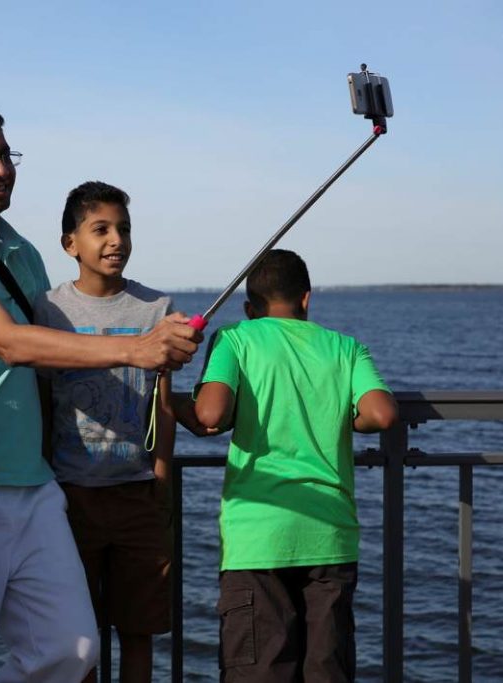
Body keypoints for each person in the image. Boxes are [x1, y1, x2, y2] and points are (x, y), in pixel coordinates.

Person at [0, 101, 202, 682]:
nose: (0, 169)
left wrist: (165, 392)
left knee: (73, 649)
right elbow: (8, 342)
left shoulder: (22, 251)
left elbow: (57, 359)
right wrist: (137, 348)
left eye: (6, 155)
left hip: (34, 480)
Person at [175, 249, 399, 682]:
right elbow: (383, 414)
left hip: (259, 537)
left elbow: (210, 415)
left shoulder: (236, 338)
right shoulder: (345, 348)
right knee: (326, 672)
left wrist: (167, 403)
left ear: (249, 308)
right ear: (307, 299)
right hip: (329, 536)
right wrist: (347, 416)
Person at [33, 181, 174, 683]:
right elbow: (43, 404)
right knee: (78, 633)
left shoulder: (156, 309)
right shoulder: (48, 311)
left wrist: (160, 473)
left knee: (139, 630)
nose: (116, 240)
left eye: (124, 229)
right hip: (70, 496)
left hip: (137, 494)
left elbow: (162, 400)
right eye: (101, 229)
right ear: (70, 243)